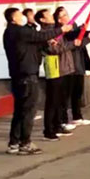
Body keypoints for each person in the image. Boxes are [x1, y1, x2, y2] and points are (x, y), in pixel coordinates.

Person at [3, 7, 72, 155]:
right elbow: (39, 36)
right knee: (28, 111)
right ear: (13, 18)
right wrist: (61, 30)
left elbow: (34, 44)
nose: (23, 17)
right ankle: (25, 143)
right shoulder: (19, 31)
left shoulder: (12, 33)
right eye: (20, 15)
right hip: (27, 76)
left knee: (20, 111)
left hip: (19, 76)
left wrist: (46, 43)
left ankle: (14, 142)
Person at [35, 9, 79, 141]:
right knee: (52, 101)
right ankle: (49, 130)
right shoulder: (44, 33)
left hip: (64, 69)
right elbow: (54, 49)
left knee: (60, 100)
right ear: (42, 19)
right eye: (48, 15)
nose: (51, 16)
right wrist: (72, 44)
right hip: (54, 69)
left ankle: (58, 125)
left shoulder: (56, 30)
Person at [56, 6, 90, 126]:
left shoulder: (75, 27)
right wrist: (86, 31)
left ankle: (77, 116)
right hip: (68, 66)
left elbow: (82, 40)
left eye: (66, 14)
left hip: (78, 63)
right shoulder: (59, 32)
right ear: (59, 20)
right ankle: (63, 120)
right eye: (63, 15)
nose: (67, 17)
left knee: (77, 93)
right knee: (65, 95)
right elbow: (74, 36)